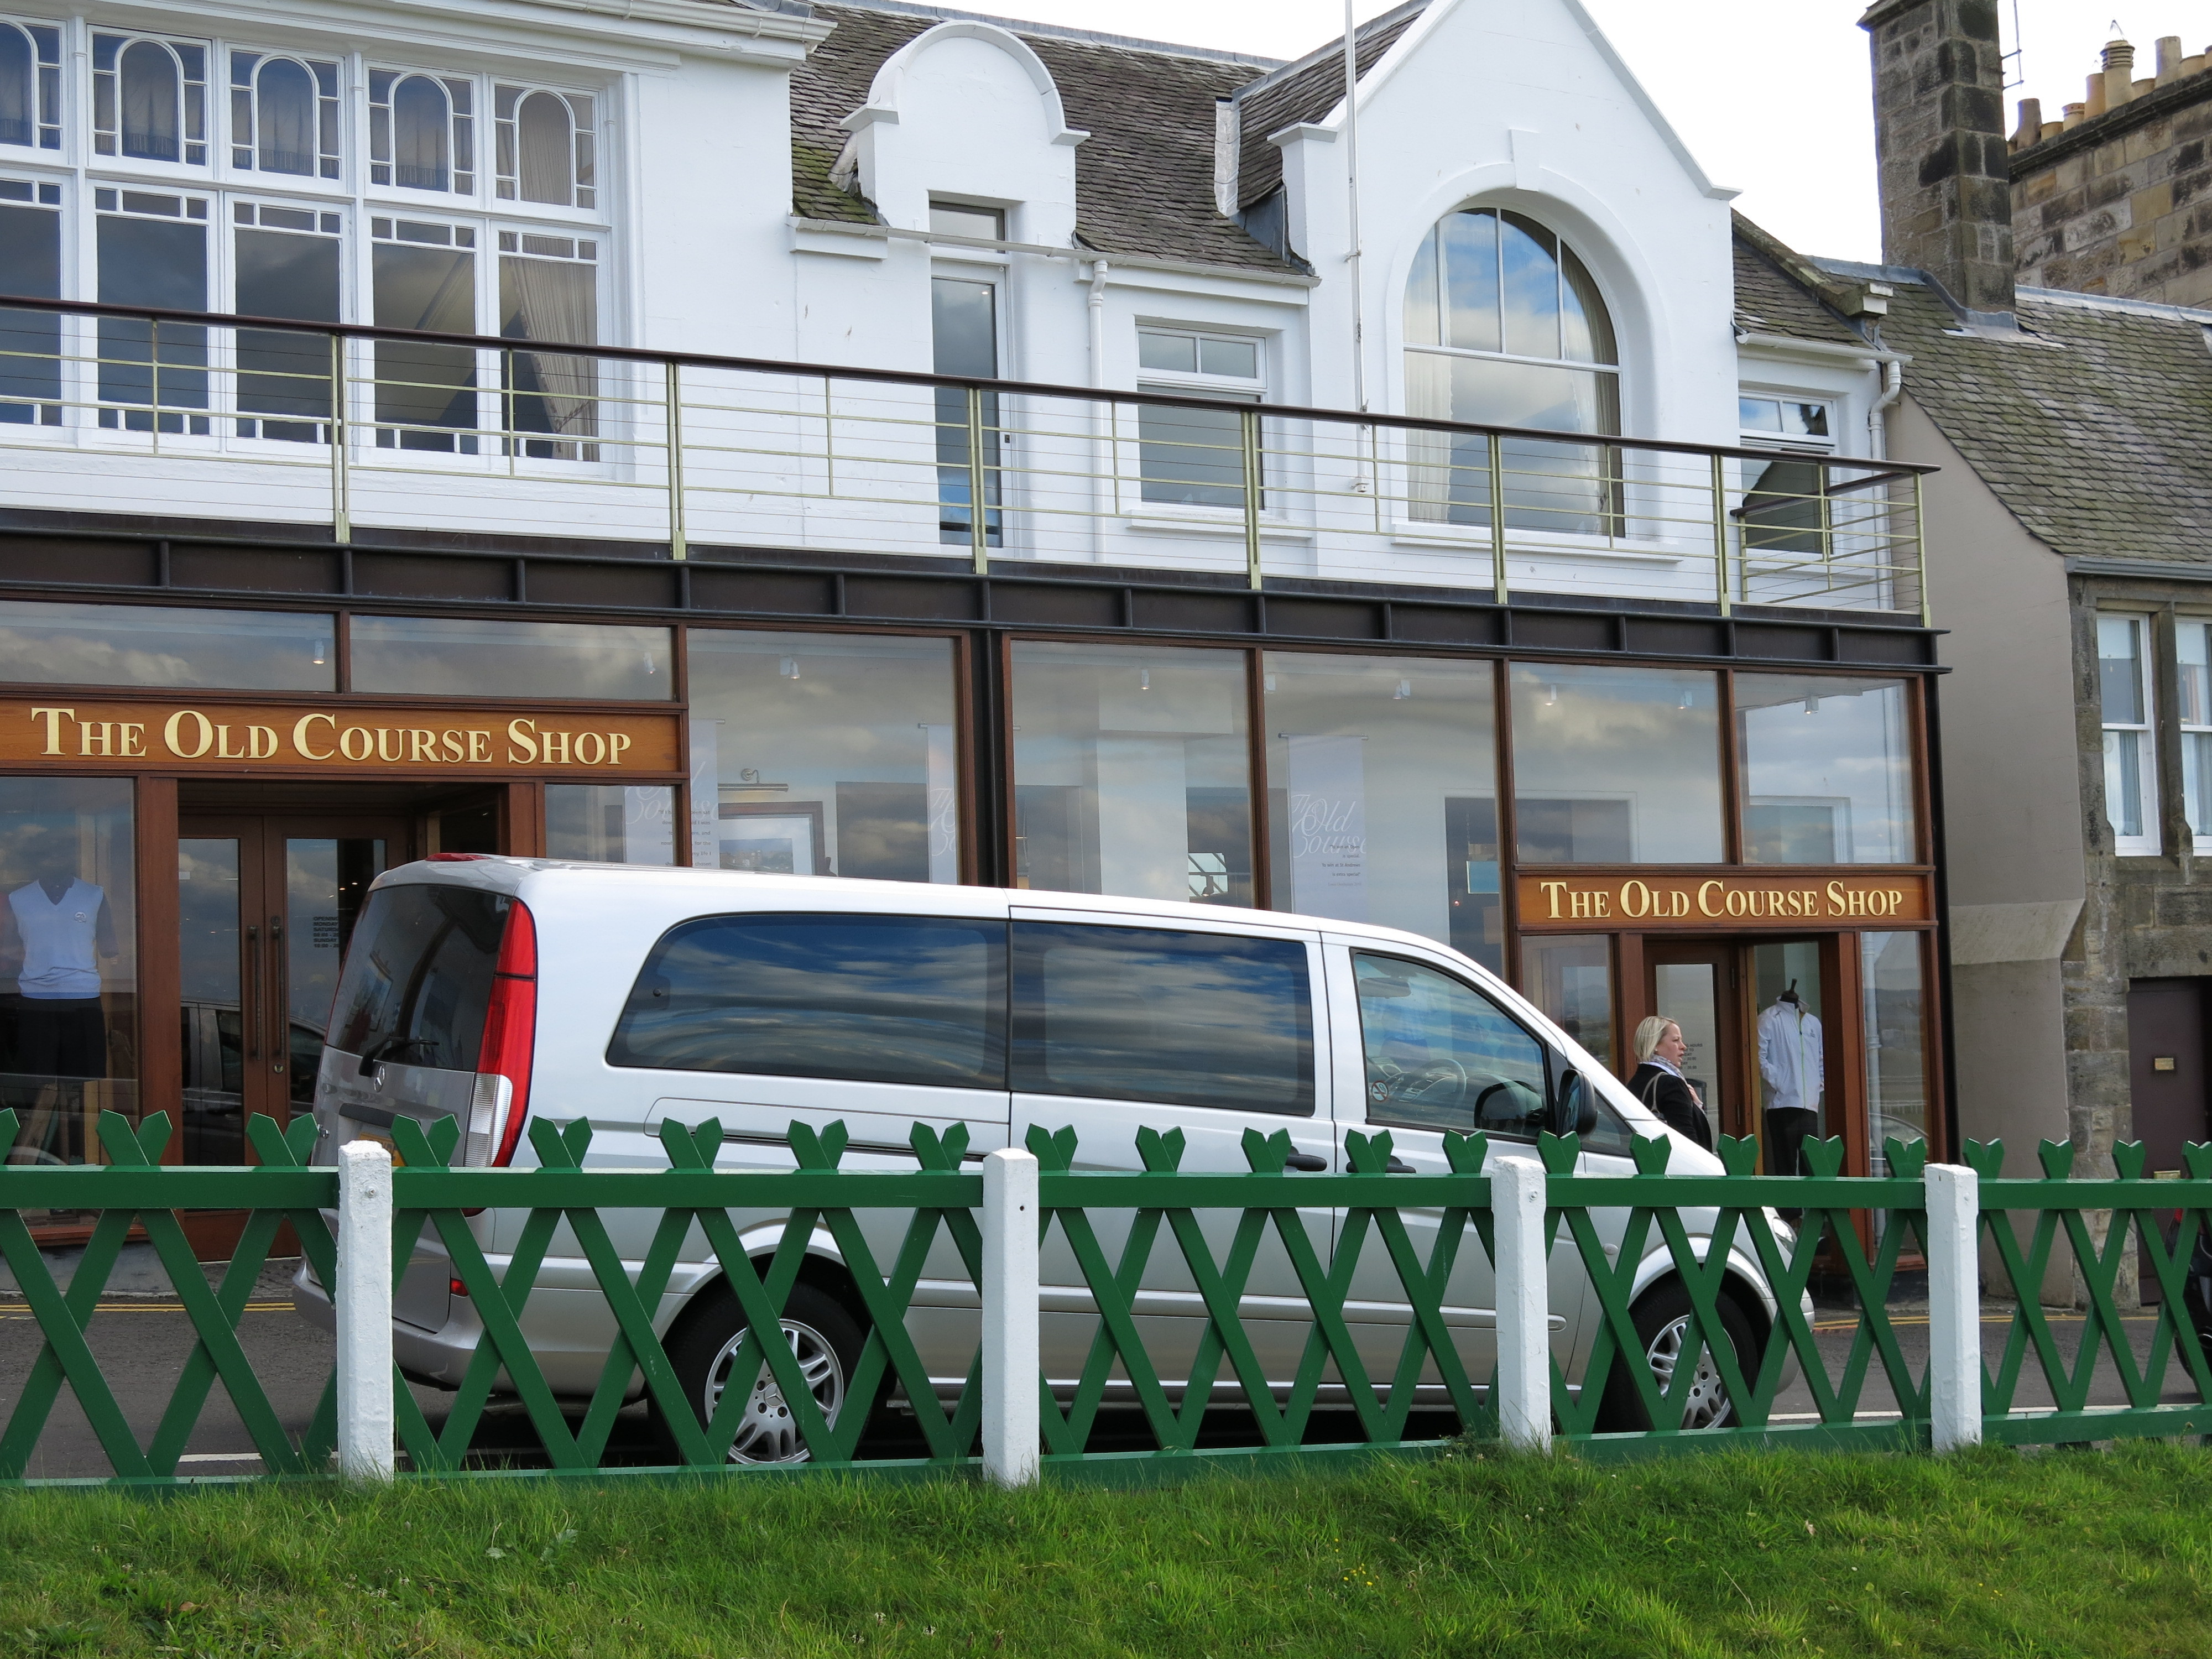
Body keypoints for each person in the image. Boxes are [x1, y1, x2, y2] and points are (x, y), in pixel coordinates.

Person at [1757, 981, 1824, 1180]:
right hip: (1781, 1105)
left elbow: (1820, 1057)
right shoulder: (1768, 1019)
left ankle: (1810, 1208)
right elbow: (1759, 1058)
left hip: (1809, 1105)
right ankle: (1788, 1211)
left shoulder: (1812, 1022)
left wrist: (1817, 1085)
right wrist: (1781, 1082)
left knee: (1810, 1164)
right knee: (1784, 1163)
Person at [1627, 1015, 1712, 1151]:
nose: (1683, 1047)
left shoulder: (1635, 1082)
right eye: (1676, 1040)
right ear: (1655, 1045)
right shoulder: (1671, 1084)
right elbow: (1688, 1140)